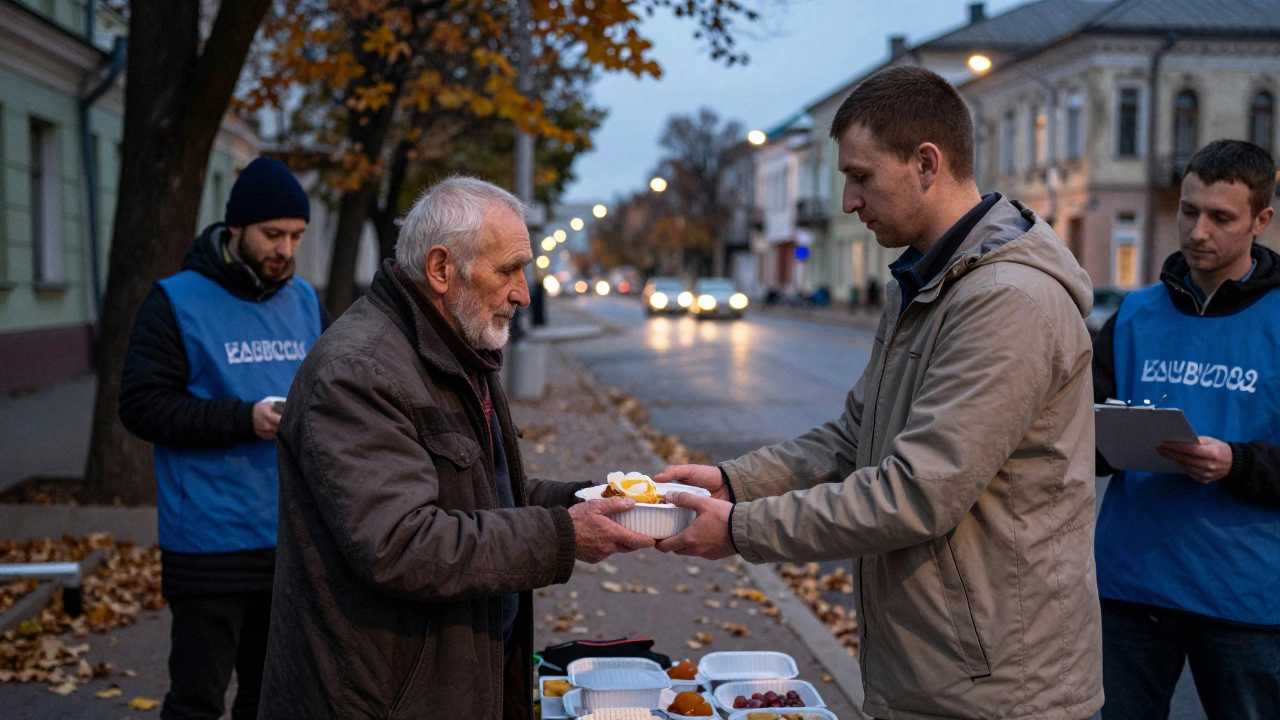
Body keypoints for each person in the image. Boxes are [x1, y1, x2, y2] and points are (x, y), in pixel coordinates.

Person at [654, 66, 1103, 720]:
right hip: (936, 671)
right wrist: (734, 481)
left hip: (1001, 690)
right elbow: (851, 439)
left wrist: (742, 529)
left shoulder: (1008, 301)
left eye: (860, 176)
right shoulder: (926, 284)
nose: (848, 203)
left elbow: (917, 493)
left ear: (926, 163)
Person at [257, 177, 654, 719]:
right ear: (441, 270)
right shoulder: (359, 371)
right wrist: (565, 535)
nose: (523, 292)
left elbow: (483, 494)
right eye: (508, 269)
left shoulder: (454, 343)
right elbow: (401, 544)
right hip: (382, 698)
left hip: (444, 681)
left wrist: (586, 501)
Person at [118, 156, 326, 720]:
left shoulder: (305, 301)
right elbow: (140, 407)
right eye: (273, 234)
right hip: (208, 538)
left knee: (272, 701)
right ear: (235, 229)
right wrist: (244, 418)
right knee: (197, 700)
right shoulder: (177, 301)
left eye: (296, 236)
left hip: (287, 537)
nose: (285, 249)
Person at [1091, 139, 1280, 720]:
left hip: (1242, 598)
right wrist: (1106, 441)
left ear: (1261, 220)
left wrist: (1238, 462)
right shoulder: (1135, 313)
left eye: (1221, 217)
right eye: (1189, 211)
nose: (1198, 231)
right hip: (1128, 585)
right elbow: (1076, 436)